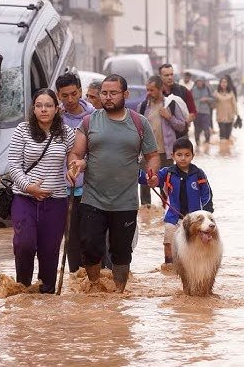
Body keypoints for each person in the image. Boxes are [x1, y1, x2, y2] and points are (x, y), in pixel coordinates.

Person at [67, 74, 160, 292]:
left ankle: (119, 293)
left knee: (121, 252)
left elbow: (153, 155)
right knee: (89, 246)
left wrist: (152, 173)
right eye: (104, 93)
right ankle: (94, 286)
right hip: (93, 198)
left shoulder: (139, 122)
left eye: (113, 93)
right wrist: (75, 165)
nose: (108, 98)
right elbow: (76, 153)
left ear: (125, 95)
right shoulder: (89, 122)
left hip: (125, 201)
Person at [8, 88, 75, 294]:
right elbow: (13, 165)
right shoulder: (22, 130)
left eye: (48, 106)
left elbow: (73, 158)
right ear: (33, 109)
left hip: (56, 202)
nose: (43, 110)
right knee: (24, 244)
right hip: (24, 198)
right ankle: (24, 289)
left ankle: (46, 295)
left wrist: (73, 169)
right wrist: (29, 187)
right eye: (39, 106)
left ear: (57, 109)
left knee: (50, 251)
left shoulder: (67, 133)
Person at [143, 137, 213, 269]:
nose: (183, 158)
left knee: (198, 243)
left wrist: (207, 214)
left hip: (195, 219)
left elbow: (207, 194)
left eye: (187, 155)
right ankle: (169, 265)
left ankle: (196, 266)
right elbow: (156, 179)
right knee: (169, 240)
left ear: (193, 156)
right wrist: (151, 179)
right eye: (179, 155)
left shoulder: (198, 174)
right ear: (172, 156)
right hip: (174, 217)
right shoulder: (168, 172)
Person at [55, 73, 95, 273]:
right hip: (63, 189)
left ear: (80, 91)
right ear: (58, 95)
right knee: (70, 239)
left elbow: (99, 152)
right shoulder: (54, 119)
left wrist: (83, 163)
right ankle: (75, 278)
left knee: (91, 237)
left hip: (91, 188)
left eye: (73, 94)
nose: (70, 100)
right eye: (64, 96)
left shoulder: (94, 117)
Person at [138, 75, 187, 207]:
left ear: (161, 89)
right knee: (144, 184)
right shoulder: (142, 107)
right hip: (147, 152)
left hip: (166, 152)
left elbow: (182, 126)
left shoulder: (171, 104)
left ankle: (166, 211)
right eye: (147, 90)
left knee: (166, 184)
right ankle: (146, 214)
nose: (148, 93)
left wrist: (169, 117)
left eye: (152, 90)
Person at [214, 77, 239, 152]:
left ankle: (227, 152)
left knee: (228, 137)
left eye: (225, 82)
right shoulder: (216, 93)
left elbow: (234, 104)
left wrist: (238, 115)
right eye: (222, 82)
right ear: (220, 84)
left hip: (230, 117)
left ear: (227, 84)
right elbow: (213, 104)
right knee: (222, 135)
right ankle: (222, 153)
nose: (224, 84)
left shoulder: (231, 93)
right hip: (220, 117)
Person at [191, 77, 214, 146]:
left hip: (206, 112)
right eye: (198, 82)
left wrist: (207, 99)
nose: (199, 83)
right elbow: (189, 101)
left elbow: (213, 99)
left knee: (206, 128)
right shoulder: (193, 90)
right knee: (197, 129)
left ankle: (207, 143)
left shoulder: (207, 89)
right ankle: (197, 144)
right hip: (196, 112)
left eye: (201, 82)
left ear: (203, 82)